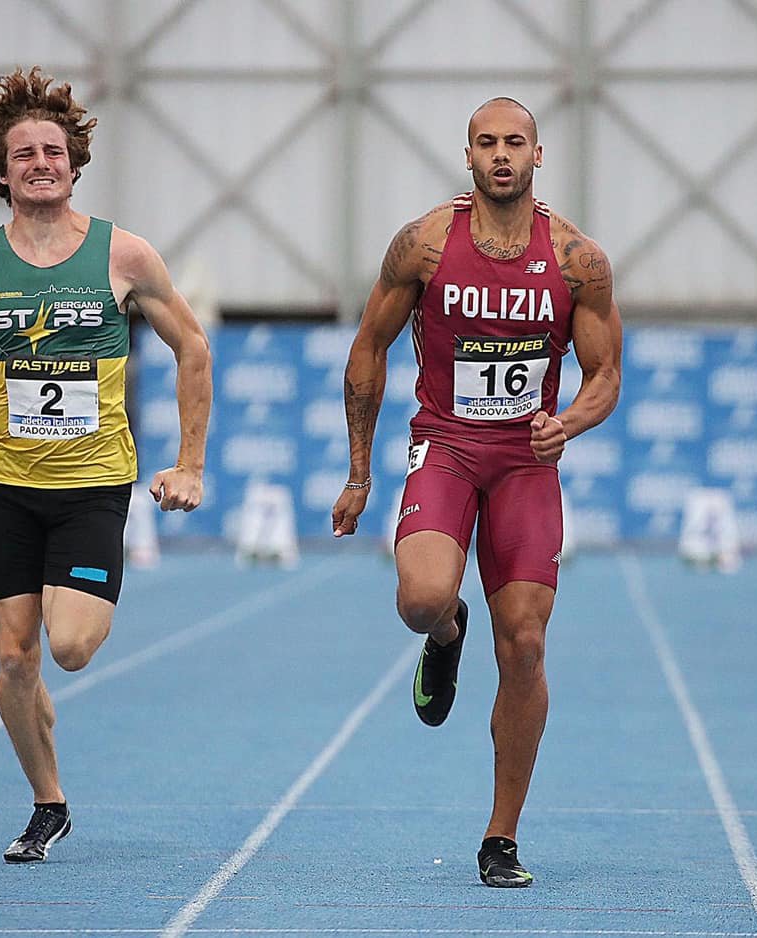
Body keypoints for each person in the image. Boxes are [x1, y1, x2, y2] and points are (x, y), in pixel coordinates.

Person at [0, 67, 212, 863]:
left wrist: (190, 463)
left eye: (54, 150)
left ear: (74, 163)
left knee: (71, 647)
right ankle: (47, 802)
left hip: (91, 485)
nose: (41, 162)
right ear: (1, 170)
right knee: (14, 658)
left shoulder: (124, 255)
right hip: (6, 486)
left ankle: (51, 721)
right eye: (25, 153)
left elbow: (192, 346)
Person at [332, 97, 622, 887]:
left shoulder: (576, 259)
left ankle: (501, 836)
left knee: (526, 644)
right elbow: (368, 349)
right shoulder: (425, 245)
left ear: (538, 154)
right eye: (487, 143)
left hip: (527, 462)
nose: (502, 155)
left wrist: (569, 423)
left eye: (515, 143)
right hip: (448, 449)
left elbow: (605, 377)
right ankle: (447, 631)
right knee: (421, 598)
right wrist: (360, 473)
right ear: (468, 157)